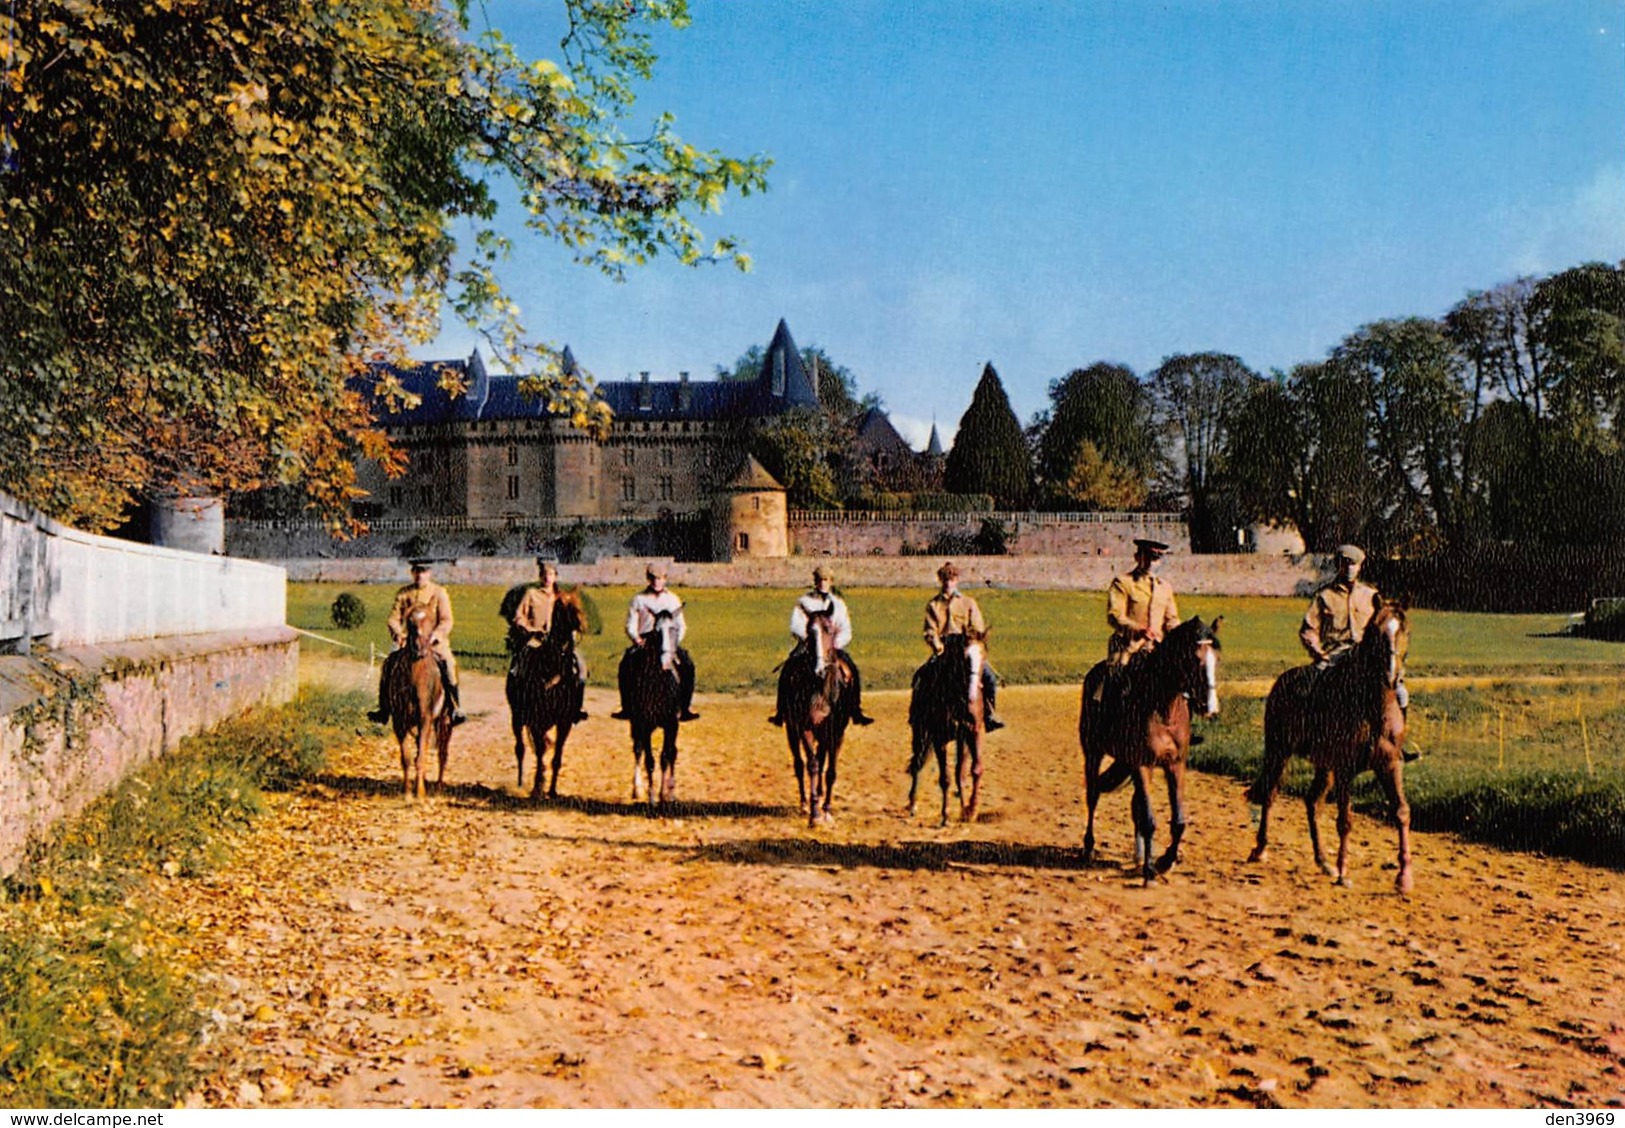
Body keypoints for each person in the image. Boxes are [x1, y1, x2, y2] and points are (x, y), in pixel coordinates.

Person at [1301, 544, 1418, 756]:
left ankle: (1398, 745)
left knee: (1400, 693)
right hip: (1335, 655)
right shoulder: (1325, 597)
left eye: (1354, 564)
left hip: (1367, 656)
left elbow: (1387, 622)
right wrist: (1319, 652)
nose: (1349, 569)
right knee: (1315, 684)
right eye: (1345, 564)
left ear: (1360, 566)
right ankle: (1312, 737)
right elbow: (1309, 629)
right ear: (1338, 565)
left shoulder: (1372, 596)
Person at [767, 564, 875, 727]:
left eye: (825, 580)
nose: (822, 583)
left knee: (852, 670)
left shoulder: (838, 604)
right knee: (787, 670)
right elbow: (796, 625)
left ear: (831, 582)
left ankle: (856, 711)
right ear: (815, 582)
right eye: (819, 580)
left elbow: (846, 628)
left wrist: (833, 644)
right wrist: (810, 639)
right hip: (808, 645)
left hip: (832, 647)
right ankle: (781, 712)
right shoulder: (804, 602)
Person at [368, 558, 467, 726]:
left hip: (433, 643)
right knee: (388, 664)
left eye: (423, 571)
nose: (420, 575)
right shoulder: (404, 594)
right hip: (408, 643)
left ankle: (455, 707)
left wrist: (437, 634)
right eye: (417, 571)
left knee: (449, 664)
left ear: (429, 573)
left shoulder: (439, 592)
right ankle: (384, 709)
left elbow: (446, 619)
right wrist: (399, 633)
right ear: (412, 572)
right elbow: (393, 619)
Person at [612, 562, 701, 722]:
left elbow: (681, 625)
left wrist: (672, 644)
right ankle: (627, 707)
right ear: (648, 578)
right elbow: (631, 624)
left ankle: (685, 708)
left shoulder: (673, 599)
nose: (656, 582)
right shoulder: (639, 599)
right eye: (653, 578)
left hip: (668, 641)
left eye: (660, 578)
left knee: (688, 664)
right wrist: (637, 639)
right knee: (625, 665)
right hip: (645, 641)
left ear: (665, 579)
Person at [921, 561, 1003, 730]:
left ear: (957, 580)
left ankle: (989, 714)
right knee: (923, 677)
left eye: (951, 579)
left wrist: (971, 640)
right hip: (944, 649)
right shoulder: (933, 605)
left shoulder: (968, 603)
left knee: (989, 677)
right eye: (945, 579)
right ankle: (921, 715)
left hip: (965, 649)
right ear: (940, 580)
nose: (948, 583)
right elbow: (930, 630)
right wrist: (936, 645)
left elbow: (978, 627)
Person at [509, 558, 588, 722]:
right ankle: (520, 703)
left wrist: (573, 630)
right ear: (540, 577)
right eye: (544, 575)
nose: (547, 578)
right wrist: (531, 630)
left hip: (560, 644)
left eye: (550, 574)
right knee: (518, 668)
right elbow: (519, 617)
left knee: (581, 669)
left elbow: (574, 618)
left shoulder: (562, 597)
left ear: (555, 576)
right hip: (536, 641)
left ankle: (577, 706)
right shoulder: (531, 595)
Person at [1106, 538, 1181, 669]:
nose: (1151, 563)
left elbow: (1172, 620)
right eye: (1147, 557)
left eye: (1156, 559)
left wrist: (1181, 634)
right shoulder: (1123, 582)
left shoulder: (1165, 587)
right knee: (1117, 677)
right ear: (1137, 557)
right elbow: (1115, 615)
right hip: (1127, 647)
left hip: (1157, 648)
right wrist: (1138, 629)